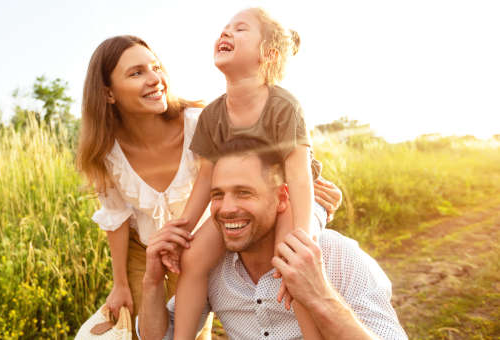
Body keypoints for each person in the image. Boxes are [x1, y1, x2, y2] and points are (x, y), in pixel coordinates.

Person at [75, 35, 343, 339]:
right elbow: (116, 218)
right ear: (108, 94)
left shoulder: (198, 121)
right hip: (145, 247)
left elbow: (258, 162)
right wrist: (119, 283)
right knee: (144, 328)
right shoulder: (104, 151)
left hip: (200, 235)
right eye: (137, 73)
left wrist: (306, 185)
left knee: (193, 317)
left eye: (156, 67)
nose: (155, 79)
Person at [138, 138, 407, 340]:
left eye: (244, 193)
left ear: (281, 198)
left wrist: (320, 295)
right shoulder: (212, 267)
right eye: (218, 195)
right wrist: (152, 282)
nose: (226, 208)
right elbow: (163, 336)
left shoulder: (339, 256)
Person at [167, 7, 325, 339]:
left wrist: (302, 235)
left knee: (290, 259)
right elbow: (207, 180)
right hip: (243, 197)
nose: (226, 33)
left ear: (268, 54)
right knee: (194, 258)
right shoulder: (212, 115)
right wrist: (182, 228)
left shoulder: (284, 106)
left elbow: (297, 175)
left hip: (283, 194)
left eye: (240, 29)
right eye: (224, 28)